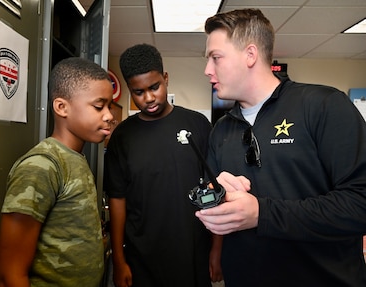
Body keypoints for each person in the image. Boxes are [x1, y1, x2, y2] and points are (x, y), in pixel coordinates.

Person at [195, 8, 366, 286]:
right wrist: (215, 196)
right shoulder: (221, 130)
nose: (207, 70)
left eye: (215, 58)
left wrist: (262, 214)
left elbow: (360, 203)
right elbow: (208, 197)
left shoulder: (323, 106)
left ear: (250, 55)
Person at [0, 57, 114, 287]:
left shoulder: (76, 158)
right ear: (61, 107)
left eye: (109, 106)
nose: (108, 115)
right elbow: (8, 276)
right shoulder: (42, 165)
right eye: (99, 106)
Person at [104, 43, 217, 287]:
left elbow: (215, 189)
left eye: (155, 87)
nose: (149, 98)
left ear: (165, 79)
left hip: (192, 253)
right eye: (139, 92)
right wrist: (119, 259)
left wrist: (216, 249)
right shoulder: (122, 137)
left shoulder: (198, 125)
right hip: (141, 259)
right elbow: (117, 199)